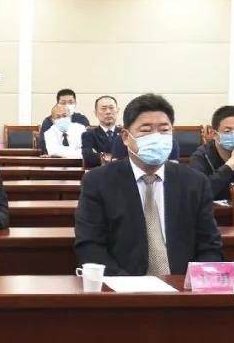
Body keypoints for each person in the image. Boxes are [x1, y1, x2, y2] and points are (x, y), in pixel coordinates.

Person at [74, 94, 223, 276]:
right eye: (146, 130)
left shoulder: (195, 182)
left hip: (183, 286)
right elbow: (90, 246)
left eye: (164, 130)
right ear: (126, 137)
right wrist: (128, 286)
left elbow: (210, 246)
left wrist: (193, 282)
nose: (156, 137)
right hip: (123, 286)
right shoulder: (98, 182)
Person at [81, 95, 121, 168]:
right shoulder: (88, 135)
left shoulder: (125, 133)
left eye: (111, 108)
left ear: (117, 111)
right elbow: (88, 158)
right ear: (96, 113)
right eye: (103, 109)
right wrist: (118, 158)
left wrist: (101, 156)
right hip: (98, 172)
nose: (108, 112)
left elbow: (131, 157)